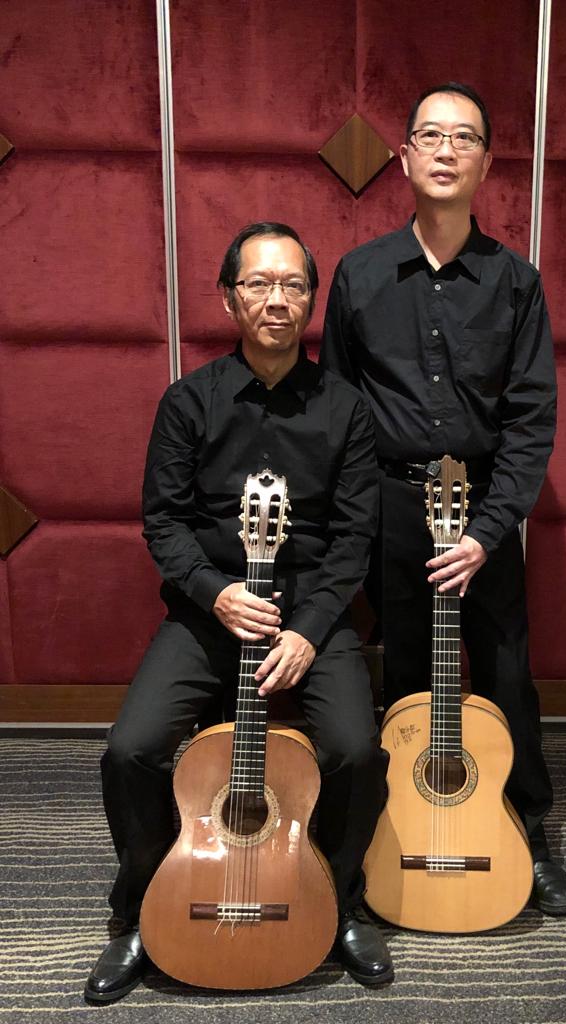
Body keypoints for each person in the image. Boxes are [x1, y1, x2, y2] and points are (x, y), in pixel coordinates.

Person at [84, 223, 393, 1004]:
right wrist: (214, 592)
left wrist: (309, 630)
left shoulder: (348, 411)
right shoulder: (189, 402)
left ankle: (340, 901)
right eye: (258, 283)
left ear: (311, 300)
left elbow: (353, 539)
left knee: (358, 751)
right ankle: (142, 907)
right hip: (212, 608)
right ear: (229, 298)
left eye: (293, 284)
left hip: (309, 612)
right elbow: (164, 522)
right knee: (130, 750)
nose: (276, 299)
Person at [321, 83, 566, 916]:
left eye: (463, 137)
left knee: (506, 676)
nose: (444, 149)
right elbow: (338, 410)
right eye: (429, 135)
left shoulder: (515, 282)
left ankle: (527, 831)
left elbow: (531, 419)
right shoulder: (360, 275)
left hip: (484, 511)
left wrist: (489, 531)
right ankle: (400, 833)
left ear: (486, 162)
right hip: (393, 509)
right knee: (403, 678)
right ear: (403, 157)